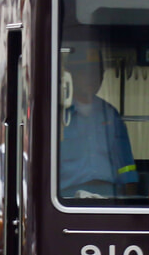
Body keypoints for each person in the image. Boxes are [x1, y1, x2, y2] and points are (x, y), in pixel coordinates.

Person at [58, 46, 138, 199]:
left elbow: (126, 165)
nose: (91, 78)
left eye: (96, 73)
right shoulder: (57, 115)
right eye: (84, 72)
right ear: (71, 75)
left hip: (109, 198)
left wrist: (130, 206)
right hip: (65, 200)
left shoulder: (110, 114)